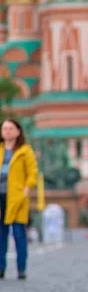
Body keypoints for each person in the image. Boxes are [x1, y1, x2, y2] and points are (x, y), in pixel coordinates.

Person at [0, 118, 38, 280]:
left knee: (19, 233)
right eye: (4, 128)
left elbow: (32, 173)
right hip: (0, 197)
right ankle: (1, 268)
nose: (7, 131)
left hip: (17, 198)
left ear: (18, 131)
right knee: (1, 234)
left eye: (10, 128)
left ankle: (21, 268)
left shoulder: (25, 151)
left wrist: (26, 188)